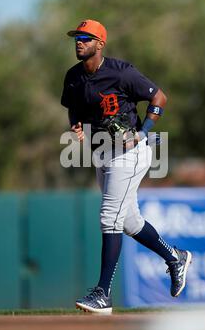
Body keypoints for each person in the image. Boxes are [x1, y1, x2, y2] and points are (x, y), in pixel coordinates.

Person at [61, 19, 192, 314]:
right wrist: (75, 125)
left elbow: (159, 97)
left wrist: (144, 132)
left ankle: (103, 294)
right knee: (129, 220)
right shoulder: (73, 77)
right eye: (76, 37)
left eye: (85, 37)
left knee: (109, 216)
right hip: (101, 152)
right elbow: (74, 106)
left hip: (130, 152)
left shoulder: (121, 73)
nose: (78, 41)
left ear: (100, 43)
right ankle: (175, 258)